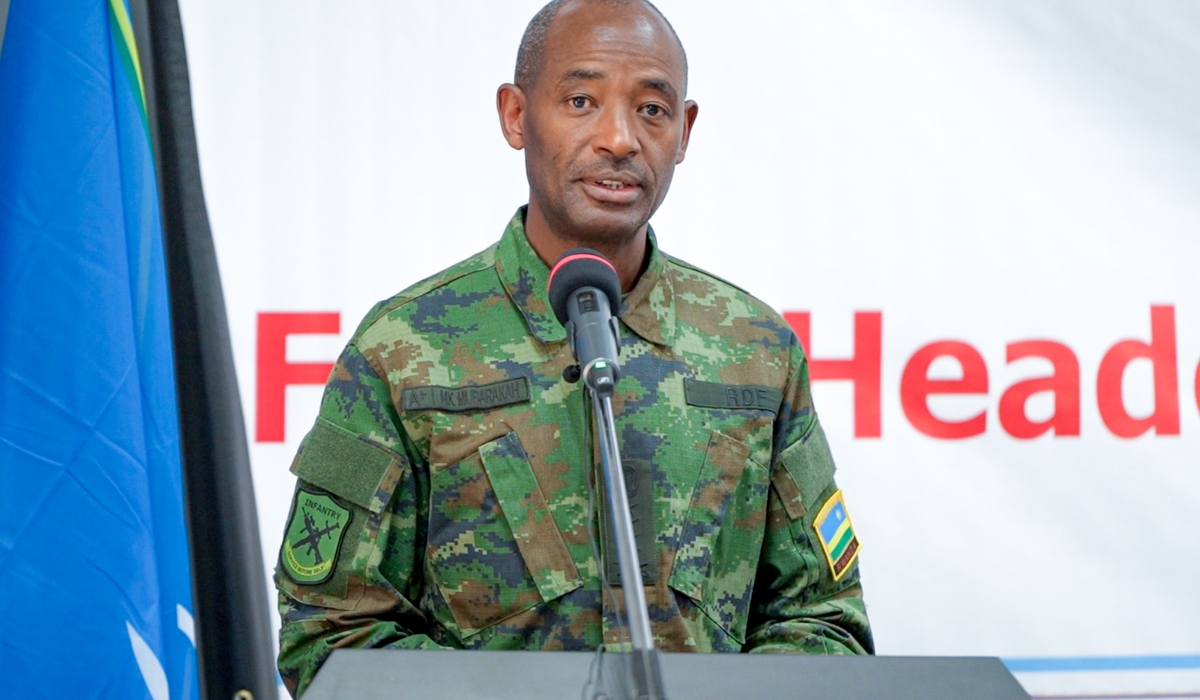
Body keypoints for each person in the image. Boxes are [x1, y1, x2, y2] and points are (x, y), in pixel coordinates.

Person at [275, 0, 873, 695]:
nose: (619, 138)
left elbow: (824, 620)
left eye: (652, 109)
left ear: (684, 131)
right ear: (516, 115)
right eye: (581, 100)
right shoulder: (402, 348)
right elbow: (328, 632)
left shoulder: (756, 350)